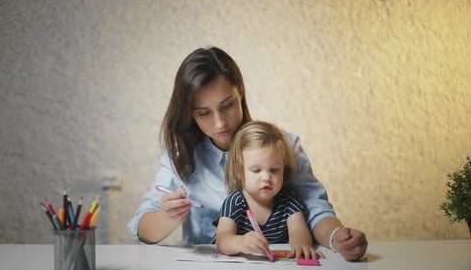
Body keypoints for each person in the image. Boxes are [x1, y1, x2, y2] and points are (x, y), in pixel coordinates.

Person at [127, 46, 368, 261]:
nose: (220, 123)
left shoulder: (283, 145)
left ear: (240, 92)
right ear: (190, 114)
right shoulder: (181, 156)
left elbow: (315, 207)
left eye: (227, 105)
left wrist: (337, 238)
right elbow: (142, 227)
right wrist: (167, 217)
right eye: (204, 113)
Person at [214, 120, 322, 260]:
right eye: (256, 170)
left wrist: (301, 243)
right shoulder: (235, 202)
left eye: (274, 170)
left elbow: (298, 230)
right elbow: (223, 239)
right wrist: (242, 242)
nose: (266, 177)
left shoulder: (288, 200)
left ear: (284, 169)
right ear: (239, 172)